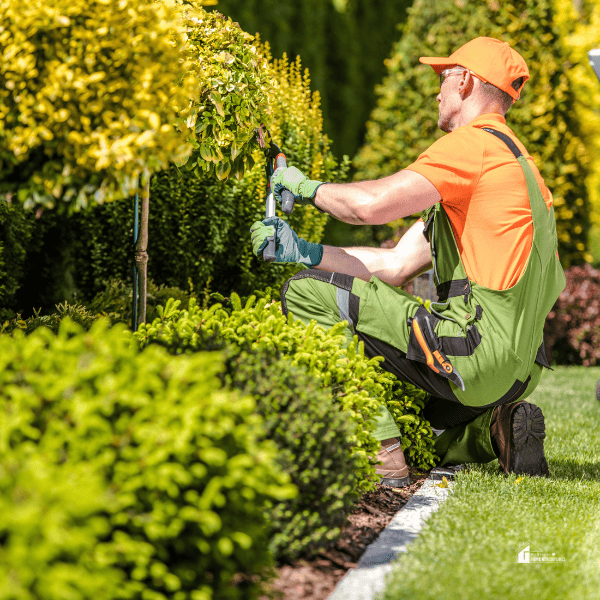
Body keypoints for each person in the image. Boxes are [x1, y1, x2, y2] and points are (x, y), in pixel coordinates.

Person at [250, 37, 566, 487]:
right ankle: (491, 433)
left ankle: (379, 454)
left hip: (474, 353)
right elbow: (396, 264)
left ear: (465, 81)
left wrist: (305, 187)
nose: (436, 92)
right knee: (415, 416)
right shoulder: (518, 167)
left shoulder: (472, 146)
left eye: (442, 79)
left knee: (304, 292)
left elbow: (369, 207)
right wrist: (304, 251)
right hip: (518, 371)